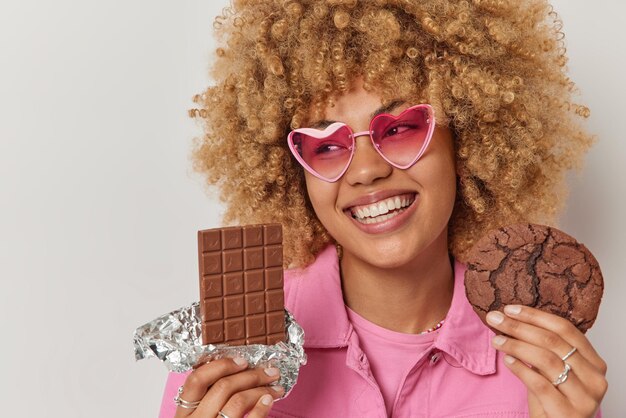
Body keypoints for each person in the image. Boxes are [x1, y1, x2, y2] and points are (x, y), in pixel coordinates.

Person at [159, 1, 607, 417]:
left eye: (400, 128)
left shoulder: (536, 362)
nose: (367, 170)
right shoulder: (230, 352)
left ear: (465, 140)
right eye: (327, 145)